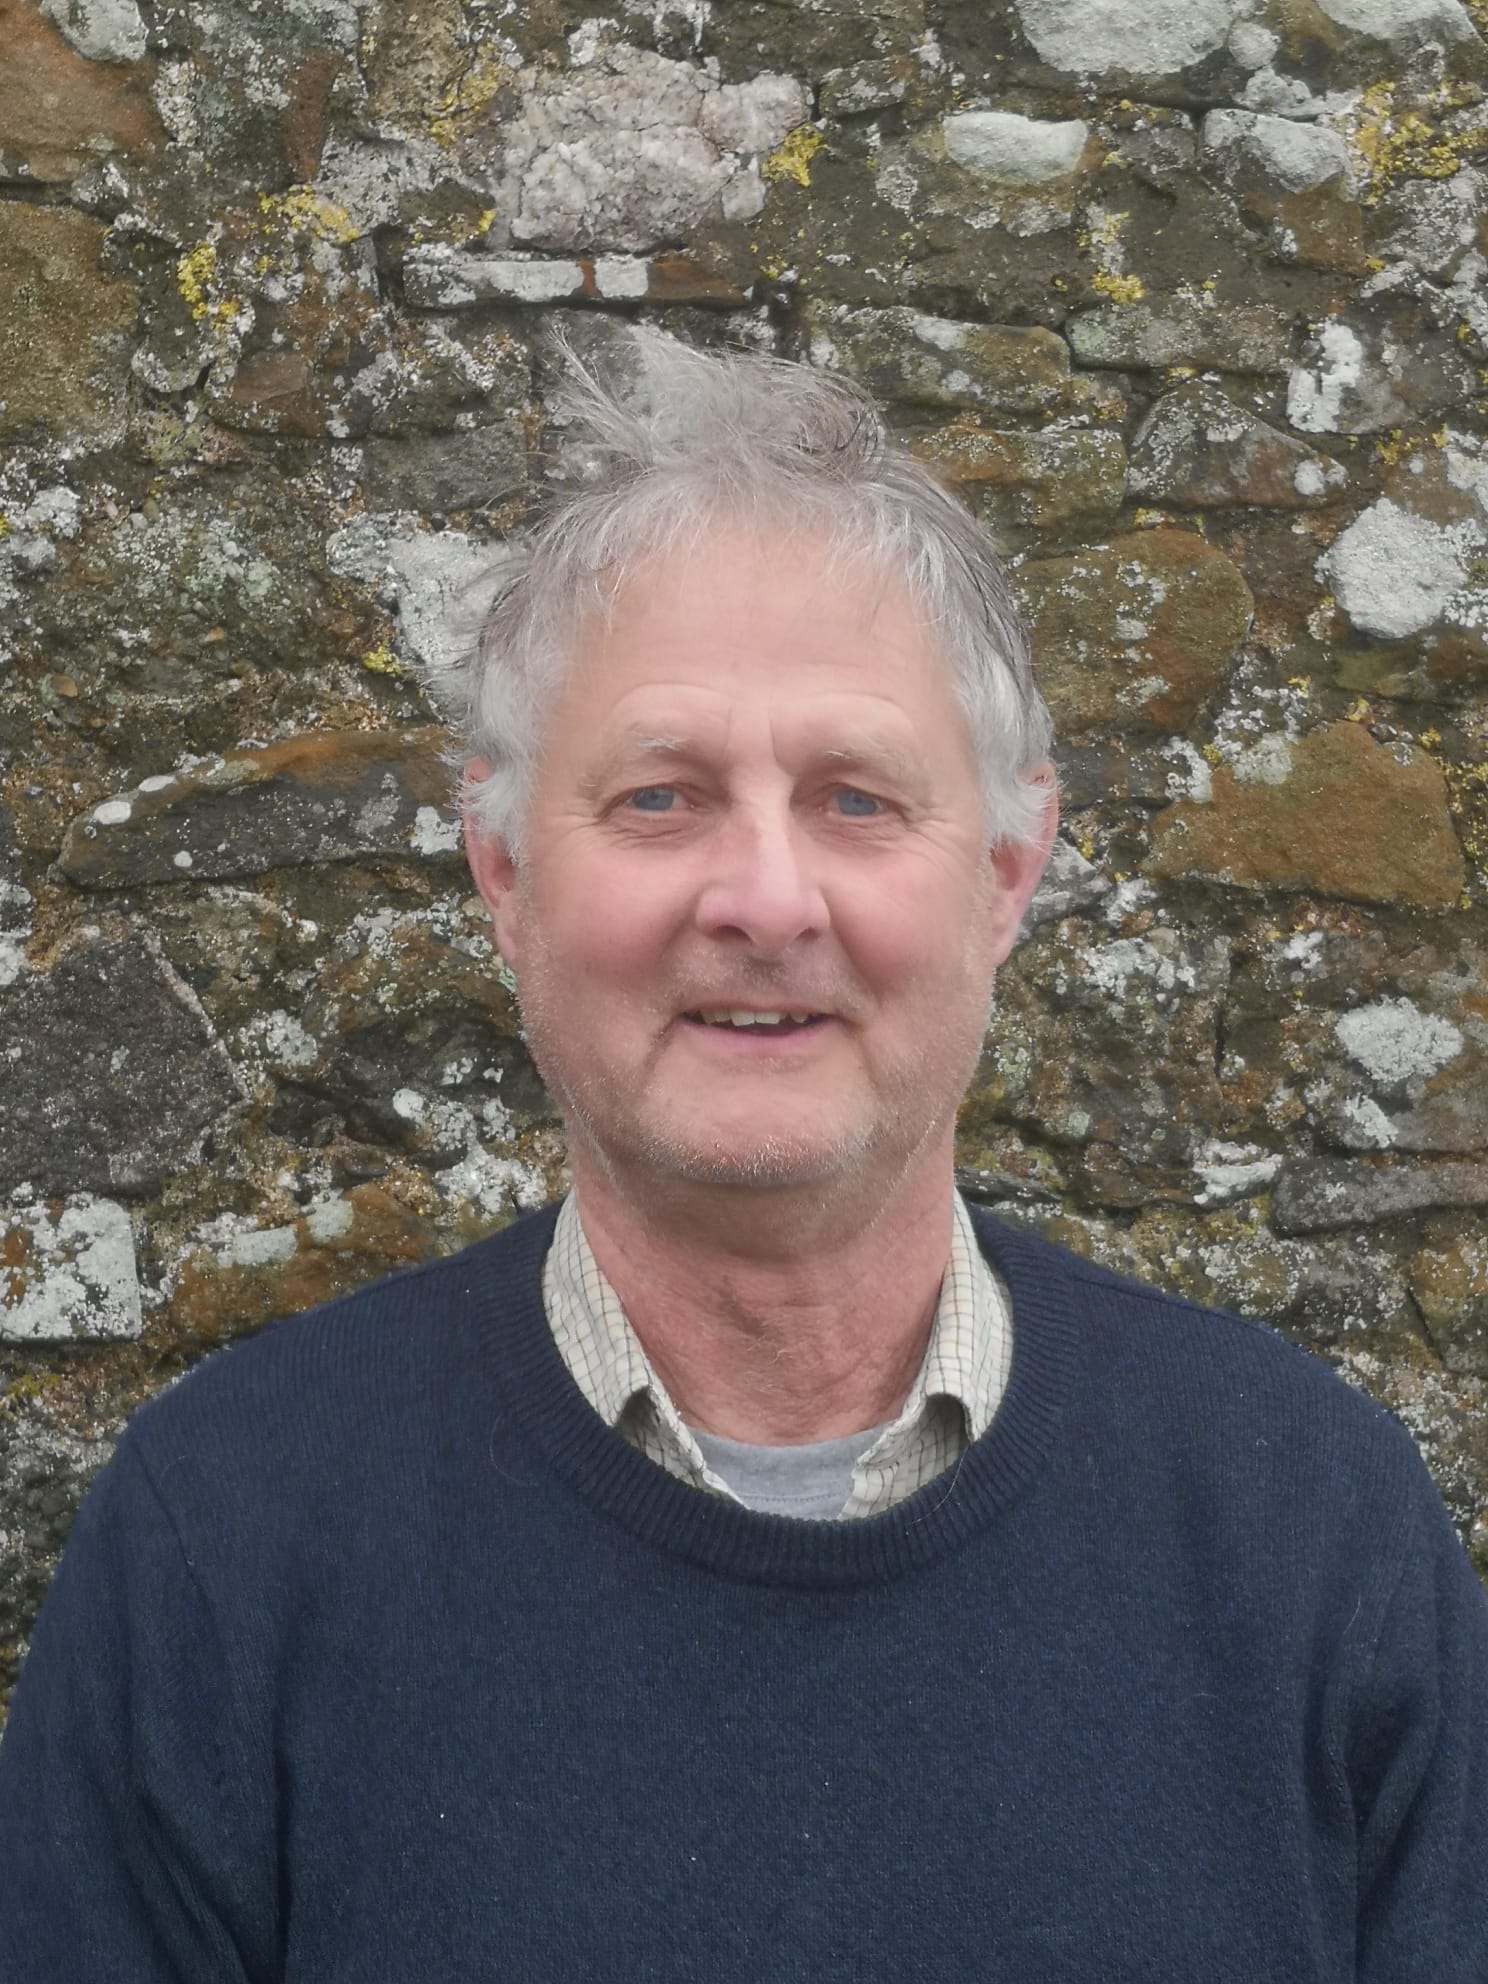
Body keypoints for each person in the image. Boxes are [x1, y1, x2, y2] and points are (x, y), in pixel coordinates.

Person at [1, 330, 1484, 1982]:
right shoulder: (223, 1550)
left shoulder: (1314, 1542)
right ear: (502, 869)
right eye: (658, 797)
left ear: (1007, 870)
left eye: (856, 800)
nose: (766, 900)